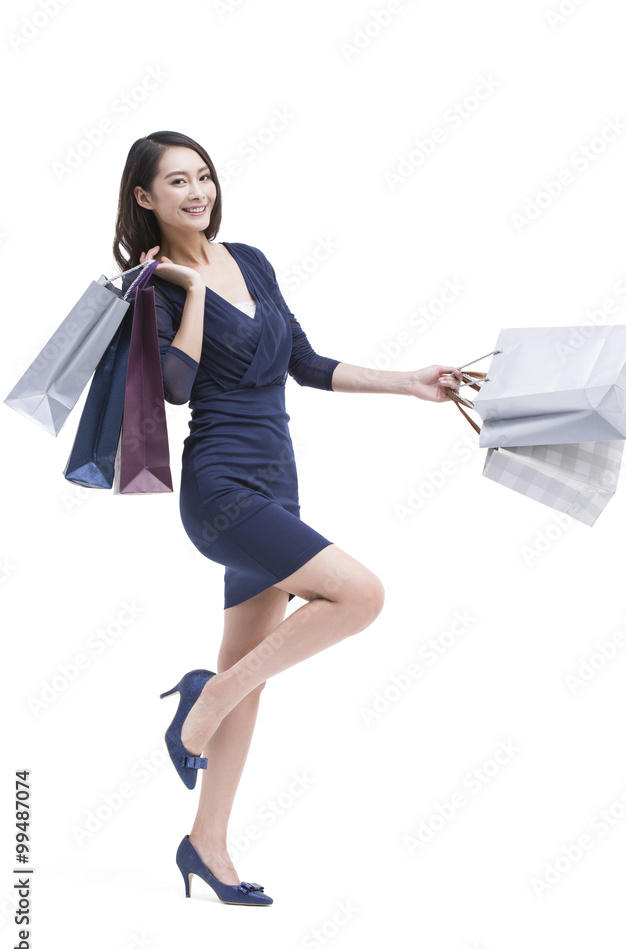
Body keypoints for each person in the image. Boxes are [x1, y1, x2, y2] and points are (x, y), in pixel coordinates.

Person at [113, 130, 464, 906]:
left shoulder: (254, 259)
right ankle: (201, 702)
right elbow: (174, 387)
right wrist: (194, 292)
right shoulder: (153, 284)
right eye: (175, 182)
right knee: (360, 595)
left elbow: (303, 363)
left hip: (279, 483)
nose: (196, 191)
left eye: (202, 175)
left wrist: (409, 382)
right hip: (222, 490)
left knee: (253, 677)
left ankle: (206, 845)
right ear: (145, 198)